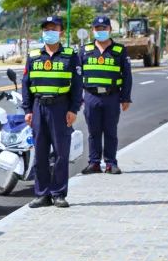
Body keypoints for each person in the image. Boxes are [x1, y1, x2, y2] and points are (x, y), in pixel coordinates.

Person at [22, 16, 82, 208]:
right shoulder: (33, 56)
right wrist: (28, 109)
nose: (49, 32)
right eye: (46, 29)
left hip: (60, 107)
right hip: (38, 107)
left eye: (53, 29)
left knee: (61, 153)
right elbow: (26, 84)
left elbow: (77, 84)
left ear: (61, 32)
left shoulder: (70, 55)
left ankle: (58, 193)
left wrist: (73, 109)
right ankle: (42, 194)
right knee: (39, 153)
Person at [79, 16, 133, 175]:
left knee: (110, 131)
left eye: (104, 28)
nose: (101, 31)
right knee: (93, 131)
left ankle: (110, 163)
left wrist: (125, 97)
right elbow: (77, 76)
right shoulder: (84, 50)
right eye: (97, 28)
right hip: (91, 96)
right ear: (92, 30)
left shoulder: (119, 50)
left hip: (112, 96)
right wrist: (77, 98)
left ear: (110, 30)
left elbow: (127, 76)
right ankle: (94, 163)